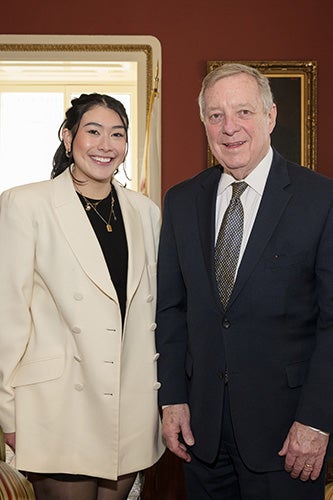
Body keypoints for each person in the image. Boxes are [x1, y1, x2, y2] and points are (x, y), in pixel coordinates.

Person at [156, 63, 333, 499]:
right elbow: (171, 310)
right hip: (202, 434)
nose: (229, 127)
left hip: (288, 436)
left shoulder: (320, 199)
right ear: (204, 124)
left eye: (243, 112)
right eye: (215, 115)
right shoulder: (181, 201)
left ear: (271, 116)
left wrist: (316, 420)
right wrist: (172, 398)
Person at [0, 93, 164, 500]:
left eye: (117, 134)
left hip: (128, 407)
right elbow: (8, 314)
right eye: (93, 131)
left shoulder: (145, 212)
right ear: (68, 135)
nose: (106, 144)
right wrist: (8, 414)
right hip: (56, 405)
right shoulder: (25, 203)